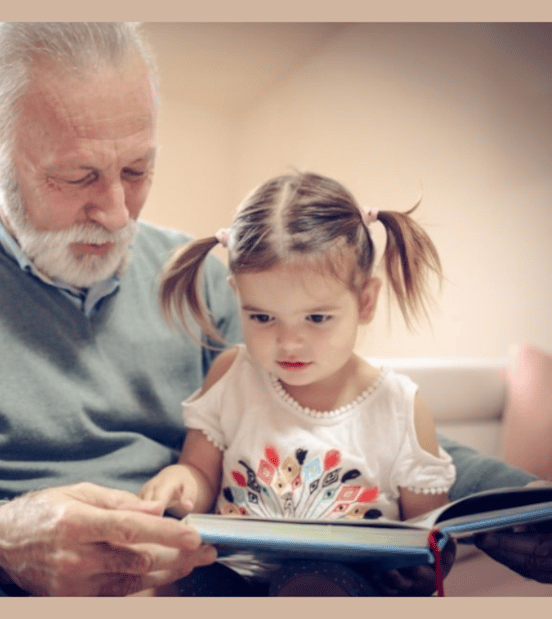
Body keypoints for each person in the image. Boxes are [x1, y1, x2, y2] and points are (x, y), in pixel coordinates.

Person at [0, 22, 551, 597]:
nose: (114, 211)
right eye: (77, 176)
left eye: (138, 169)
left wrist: (519, 501)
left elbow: (352, 406)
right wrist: (0, 542)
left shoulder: (196, 275)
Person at [140, 171, 458, 595]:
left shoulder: (398, 405)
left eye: (317, 318)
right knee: (176, 579)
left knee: (312, 583)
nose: (288, 342)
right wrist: (182, 481)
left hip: (344, 583)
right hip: (235, 572)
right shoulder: (233, 375)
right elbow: (201, 472)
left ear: (365, 301)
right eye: (262, 317)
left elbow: (430, 533)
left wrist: (422, 565)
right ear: (238, 297)